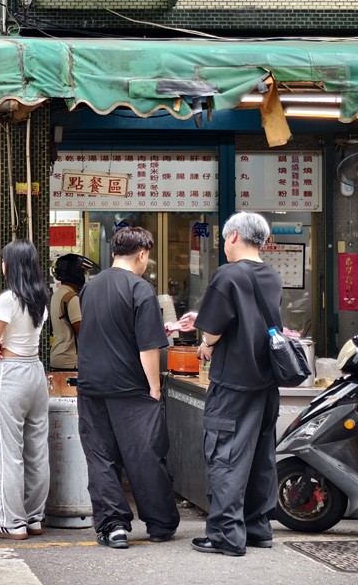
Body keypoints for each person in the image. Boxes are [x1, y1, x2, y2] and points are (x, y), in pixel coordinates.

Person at [76, 226, 179, 549]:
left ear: (113, 253)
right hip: (131, 387)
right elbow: (148, 348)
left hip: (91, 385)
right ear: (142, 254)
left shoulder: (89, 288)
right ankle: (160, 523)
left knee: (100, 457)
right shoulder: (141, 289)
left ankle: (113, 526)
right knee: (144, 455)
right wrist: (155, 388)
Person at [191, 212, 281, 557]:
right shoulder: (271, 276)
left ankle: (227, 535)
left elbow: (212, 329)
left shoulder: (228, 275)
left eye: (224, 239)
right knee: (261, 457)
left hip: (233, 383)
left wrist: (206, 344)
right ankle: (258, 528)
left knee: (226, 456)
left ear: (233, 237)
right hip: (265, 383)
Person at [0, 239, 50, 540]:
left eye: (4, 261)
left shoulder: (8, 299)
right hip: (36, 372)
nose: (2, 265)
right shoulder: (41, 297)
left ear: (11, 266)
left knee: (8, 452)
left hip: (10, 374)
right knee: (37, 450)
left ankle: (11, 522)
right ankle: (34, 517)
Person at [49, 254, 95, 371]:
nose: (84, 276)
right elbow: (82, 331)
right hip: (70, 362)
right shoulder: (72, 298)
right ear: (76, 273)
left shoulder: (57, 295)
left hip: (58, 358)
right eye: (83, 272)